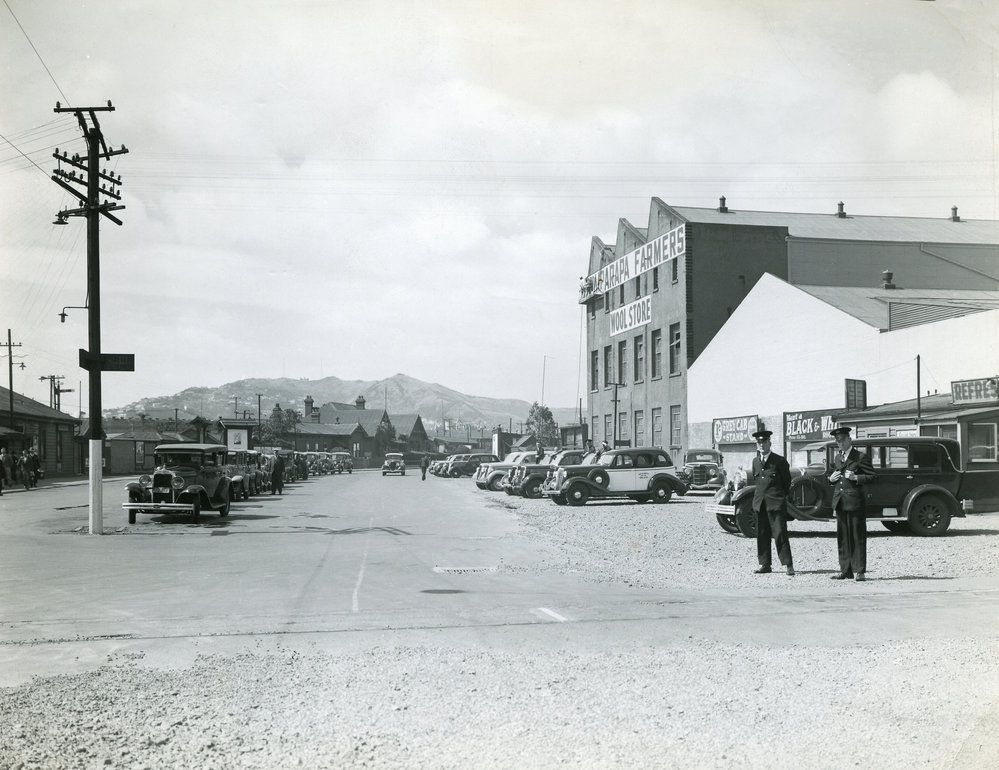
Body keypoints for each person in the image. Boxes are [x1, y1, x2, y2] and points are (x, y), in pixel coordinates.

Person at [828, 426, 877, 581]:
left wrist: (857, 478)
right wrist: (830, 479)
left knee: (858, 537)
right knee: (842, 538)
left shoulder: (860, 457)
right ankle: (845, 570)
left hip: (855, 502)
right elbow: (834, 476)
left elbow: (873, 476)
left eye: (842, 440)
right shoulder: (837, 458)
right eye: (837, 441)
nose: (840, 444)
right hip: (841, 502)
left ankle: (860, 571)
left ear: (849, 439)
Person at [749, 429, 795, 577]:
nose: (762, 445)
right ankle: (765, 564)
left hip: (775, 504)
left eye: (764, 442)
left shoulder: (779, 461)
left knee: (780, 534)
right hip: (760, 504)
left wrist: (780, 498)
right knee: (762, 534)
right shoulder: (755, 461)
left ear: (770, 443)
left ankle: (788, 565)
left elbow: (787, 482)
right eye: (759, 442)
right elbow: (757, 482)